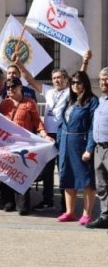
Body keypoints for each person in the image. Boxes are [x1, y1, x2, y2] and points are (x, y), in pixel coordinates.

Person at [17, 52, 91, 212]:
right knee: (47, 169)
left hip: (64, 134)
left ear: (66, 79)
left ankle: (66, 205)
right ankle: (48, 200)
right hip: (48, 135)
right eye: (55, 78)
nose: (58, 80)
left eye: (61, 77)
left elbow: (81, 76)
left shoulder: (70, 91)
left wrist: (85, 61)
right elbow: (29, 79)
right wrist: (19, 64)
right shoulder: (48, 91)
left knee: (64, 168)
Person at [0, 77, 52, 215]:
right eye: (8, 87)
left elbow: (37, 121)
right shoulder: (4, 104)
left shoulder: (30, 102)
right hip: (7, 145)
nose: (10, 89)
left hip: (23, 146)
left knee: (21, 174)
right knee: (7, 173)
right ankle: (8, 201)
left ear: (20, 87)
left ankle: (22, 204)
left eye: (13, 87)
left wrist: (44, 135)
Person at [56, 71, 98, 225]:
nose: (75, 85)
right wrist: (59, 143)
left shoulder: (92, 101)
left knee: (86, 180)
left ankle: (87, 213)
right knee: (67, 177)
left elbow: (94, 127)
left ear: (85, 84)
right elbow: (62, 124)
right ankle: (69, 212)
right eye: (73, 83)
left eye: (79, 82)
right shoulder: (70, 101)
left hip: (81, 143)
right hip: (66, 144)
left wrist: (89, 148)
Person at [87, 67, 108, 229]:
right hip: (99, 148)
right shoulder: (100, 101)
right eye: (101, 79)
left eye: (106, 79)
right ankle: (105, 216)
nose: (103, 82)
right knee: (101, 185)